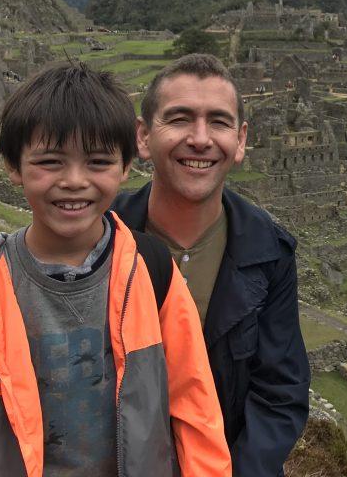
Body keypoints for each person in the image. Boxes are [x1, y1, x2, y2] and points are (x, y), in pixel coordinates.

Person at [0, 64, 231, 477]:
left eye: (98, 162)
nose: (74, 181)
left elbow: (195, 406)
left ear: (125, 167)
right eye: (50, 162)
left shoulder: (151, 271)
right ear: (13, 165)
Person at [110, 53, 309, 476]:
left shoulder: (269, 253)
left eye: (218, 122)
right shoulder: (101, 238)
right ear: (143, 137)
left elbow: (279, 394)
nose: (200, 139)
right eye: (180, 119)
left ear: (240, 142)